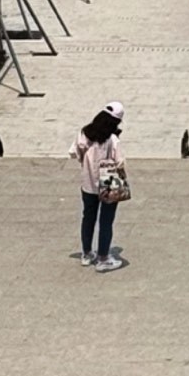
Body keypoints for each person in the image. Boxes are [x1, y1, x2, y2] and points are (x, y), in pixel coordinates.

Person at [73, 104, 127, 269]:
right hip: (109, 181)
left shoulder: (84, 134)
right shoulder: (112, 139)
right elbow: (120, 162)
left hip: (88, 182)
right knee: (106, 221)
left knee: (88, 218)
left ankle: (87, 253)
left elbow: (74, 152)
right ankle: (103, 258)